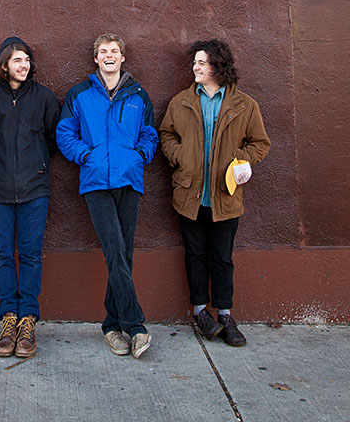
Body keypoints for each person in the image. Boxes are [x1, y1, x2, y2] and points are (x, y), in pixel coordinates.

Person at [159, 39, 270, 347]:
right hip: (189, 194)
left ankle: (225, 315)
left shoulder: (245, 104)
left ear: (217, 67)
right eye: (195, 62)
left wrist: (241, 160)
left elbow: (260, 143)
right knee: (195, 255)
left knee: (222, 257)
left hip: (226, 195)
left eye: (201, 63)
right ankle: (200, 312)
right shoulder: (181, 101)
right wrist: (180, 156)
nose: (195, 67)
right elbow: (166, 134)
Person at [56, 33, 158, 359]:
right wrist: (86, 156)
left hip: (129, 180)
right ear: (96, 59)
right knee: (115, 250)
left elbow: (149, 134)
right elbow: (64, 133)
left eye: (114, 51)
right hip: (96, 182)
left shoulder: (138, 95)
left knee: (123, 254)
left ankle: (112, 326)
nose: (109, 55)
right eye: (103, 51)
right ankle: (136, 325)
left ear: (122, 57)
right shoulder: (79, 94)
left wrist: (139, 155)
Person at [0, 37, 59, 359]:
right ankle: (8, 319)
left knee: (31, 255)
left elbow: (53, 139)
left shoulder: (44, 98)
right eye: (18, 60)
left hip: (34, 189)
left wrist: (37, 164)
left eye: (27, 60)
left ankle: (28, 321)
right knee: (2, 255)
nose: (24, 65)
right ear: (4, 65)